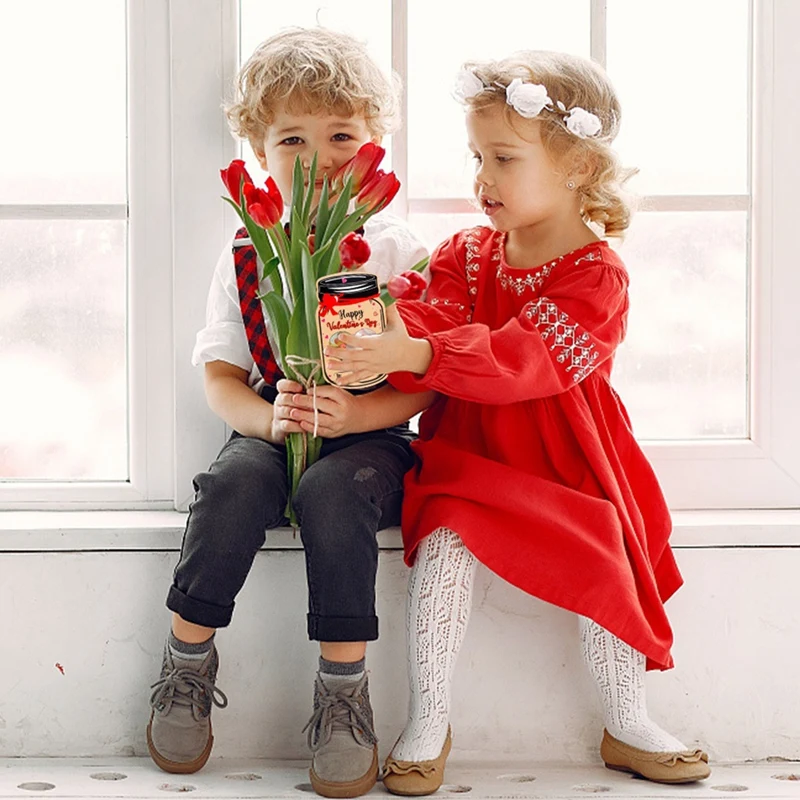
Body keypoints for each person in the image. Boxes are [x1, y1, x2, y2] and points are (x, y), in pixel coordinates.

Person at [325, 51, 711, 794]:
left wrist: (421, 346)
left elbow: (526, 358)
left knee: (610, 561)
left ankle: (627, 716)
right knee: (442, 548)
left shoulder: (596, 274)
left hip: (570, 459)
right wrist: (382, 318)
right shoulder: (470, 255)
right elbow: (432, 308)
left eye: (503, 157)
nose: (483, 177)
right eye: (477, 156)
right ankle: (428, 716)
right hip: (474, 457)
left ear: (575, 166)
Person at [146, 27, 432, 799]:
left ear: (374, 144)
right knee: (233, 485)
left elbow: (429, 380)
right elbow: (221, 377)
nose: (321, 157)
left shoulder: (396, 249)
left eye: (342, 135)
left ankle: (343, 693)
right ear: (259, 149)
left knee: (332, 494)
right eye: (293, 138)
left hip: (369, 433)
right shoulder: (246, 247)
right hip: (272, 418)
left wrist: (356, 418)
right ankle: (187, 662)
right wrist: (269, 423)